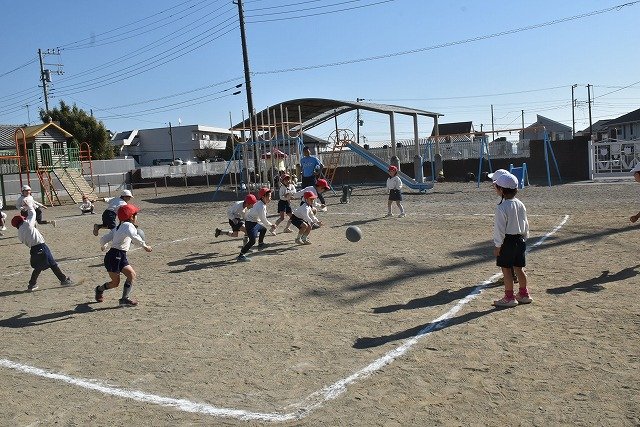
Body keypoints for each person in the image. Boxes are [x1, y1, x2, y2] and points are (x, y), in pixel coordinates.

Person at [96, 204, 152, 307]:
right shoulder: (128, 225)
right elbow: (134, 236)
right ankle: (99, 289)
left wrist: (103, 245)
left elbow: (103, 239)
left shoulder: (118, 227)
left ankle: (124, 299)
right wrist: (145, 246)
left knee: (131, 275)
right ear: (131, 217)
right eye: (135, 215)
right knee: (115, 283)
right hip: (114, 256)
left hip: (120, 255)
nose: (137, 217)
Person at [492, 172, 531, 308]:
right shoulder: (520, 204)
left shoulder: (501, 207)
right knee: (519, 269)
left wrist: (498, 246)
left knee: (506, 270)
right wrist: (524, 237)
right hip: (520, 240)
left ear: (502, 190)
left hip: (507, 242)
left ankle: (509, 297)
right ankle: (524, 294)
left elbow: (499, 229)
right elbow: (526, 224)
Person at [11, 206, 73, 291]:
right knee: (52, 264)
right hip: (41, 246)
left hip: (33, 249)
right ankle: (63, 280)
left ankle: (32, 284)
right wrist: (30, 206)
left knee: (39, 266)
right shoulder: (27, 224)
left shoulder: (19, 233)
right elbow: (33, 214)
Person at [237, 187, 276, 262]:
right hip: (250, 224)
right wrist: (271, 225)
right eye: (269, 196)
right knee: (252, 241)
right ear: (263, 197)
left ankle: (261, 244)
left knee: (263, 229)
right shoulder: (261, 206)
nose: (270, 198)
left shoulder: (261, 203)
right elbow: (264, 220)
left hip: (253, 222)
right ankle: (241, 255)